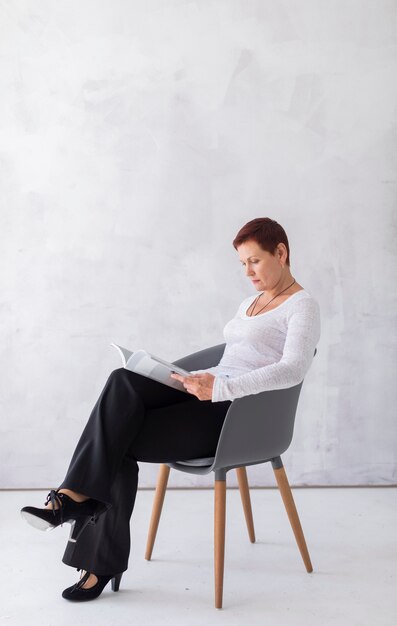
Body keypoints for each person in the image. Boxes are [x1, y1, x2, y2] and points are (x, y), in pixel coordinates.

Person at [21, 217, 320, 602]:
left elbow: (292, 369)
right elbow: (235, 358)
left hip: (235, 416)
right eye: (242, 263)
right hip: (208, 392)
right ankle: (76, 500)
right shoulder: (251, 302)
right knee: (122, 380)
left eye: (255, 262)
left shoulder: (302, 306)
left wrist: (221, 387)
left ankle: (81, 523)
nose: (247, 272)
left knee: (119, 437)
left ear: (281, 253)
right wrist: (190, 377)